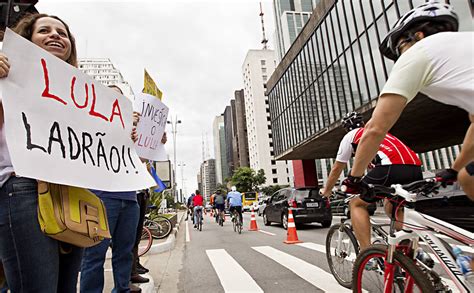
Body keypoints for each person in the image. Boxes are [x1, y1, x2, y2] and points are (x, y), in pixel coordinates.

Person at [344, 1, 474, 200]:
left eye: (399, 48)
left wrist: (353, 179)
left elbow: (375, 129)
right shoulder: (464, 44)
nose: (399, 57)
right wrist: (454, 170)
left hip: (390, 169)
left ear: (418, 35)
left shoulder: (418, 52)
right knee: (465, 177)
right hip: (412, 167)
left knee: (468, 179)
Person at [0, 14, 83, 292]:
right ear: (26, 39)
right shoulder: (6, 76)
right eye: (44, 30)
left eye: (62, 32)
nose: (55, 35)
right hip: (23, 190)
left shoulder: (79, 94)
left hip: (69, 195)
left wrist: (132, 140)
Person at [321, 112, 423, 249]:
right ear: (363, 123)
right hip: (415, 168)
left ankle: (366, 253)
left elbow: (336, 169)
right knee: (392, 206)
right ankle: (408, 247)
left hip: (389, 167)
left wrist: (327, 190)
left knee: (356, 204)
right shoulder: (383, 132)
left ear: (346, 129)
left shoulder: (351, 136)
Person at [80, 85, 145, 292]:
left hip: (129, 198)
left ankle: (123, 289)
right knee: (94, 255)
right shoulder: (89, 121)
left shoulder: (129, 131)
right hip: (100, 198)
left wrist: (148, 140)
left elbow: (141, 160)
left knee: (124, 252)